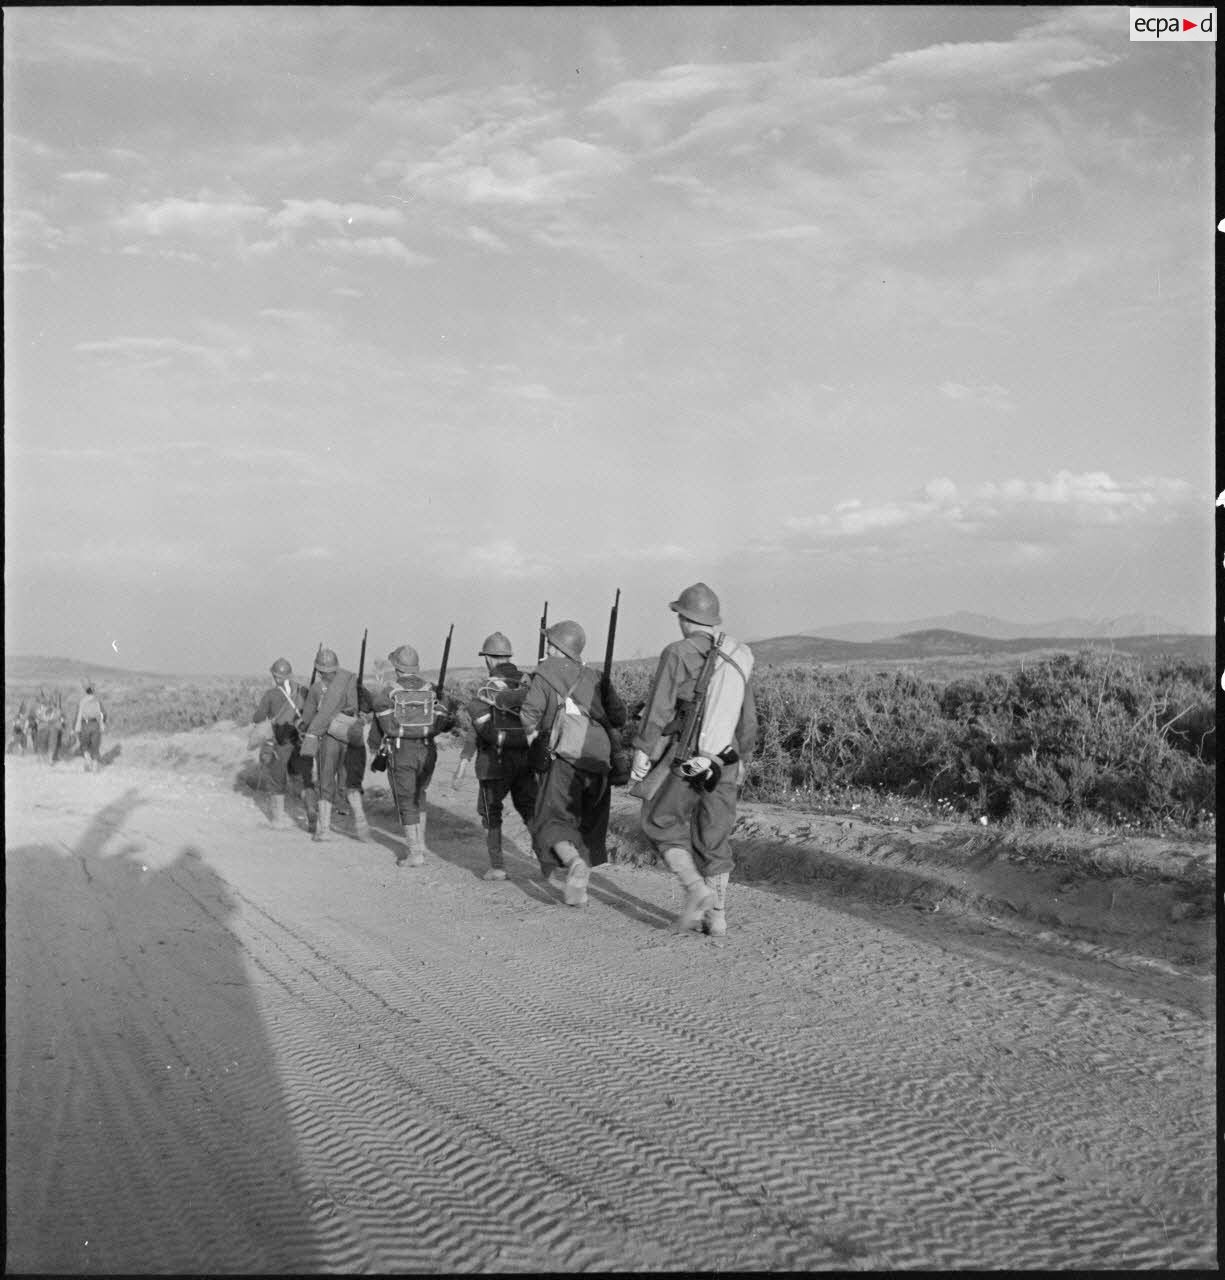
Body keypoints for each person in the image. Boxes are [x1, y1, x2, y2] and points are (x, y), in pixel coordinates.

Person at [628, 582, 757, 935]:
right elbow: (747, 715)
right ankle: (717, 918)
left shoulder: (677, 652)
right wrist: (742, 755)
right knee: (714, 834)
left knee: (659, 820)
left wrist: (643, 749)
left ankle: (696, 890)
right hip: (726, 756)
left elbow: (660, 706)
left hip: (688, 754)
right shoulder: (736, 655)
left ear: (684, 618)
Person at [518, 619, 627, 907]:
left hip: (564, 756)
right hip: (600, 758)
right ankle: (580, 887)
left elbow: (529, 714)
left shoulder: (545, 673)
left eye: (549, 644)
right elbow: (619, 717)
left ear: (555, 647)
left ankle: (574, 864)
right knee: (588, 823)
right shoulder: (595, 676)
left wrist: (537, 746)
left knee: (551, 821)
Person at [453, 632, 546, 881]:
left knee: (490, 812)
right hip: (527, 759)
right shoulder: (529, 684)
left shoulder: (486, 690)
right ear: (508, 656)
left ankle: (497, 866)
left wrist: (464, 761)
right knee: (530, 809)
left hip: (494, 762)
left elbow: (479, 728)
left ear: (488, 659)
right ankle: (546, 862)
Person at [368, 644, 457, 866]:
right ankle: (422, 844)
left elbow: (379, 728)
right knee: (420, 794)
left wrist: (373, 747)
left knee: (406, 800)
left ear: (396, 668)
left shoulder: (387, 693)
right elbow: (444, 722)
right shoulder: (433, 691)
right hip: (428, 750)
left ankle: (415, 853)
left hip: (401, 751)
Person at [299, 647, 362, 843]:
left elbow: (308, 718)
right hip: (349, 736)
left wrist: (305, 726)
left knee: (326, 782)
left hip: (328, 739)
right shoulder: (349, 682)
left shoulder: (317, 689)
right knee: (349, 781)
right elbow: (355, 708)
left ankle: (324, 830)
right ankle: (361, 824)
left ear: (318, 669)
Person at [250, 658, 313, 830]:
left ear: (275, 675)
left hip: (280, 742)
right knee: (300, 779)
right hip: (301, 741)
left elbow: (258, 718)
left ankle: (277, 820)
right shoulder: (303, 691)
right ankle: (311, 811)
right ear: (289, 675)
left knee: (277, 780)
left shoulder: (271, 695)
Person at [73, 684, 106, 772]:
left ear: (86, 691)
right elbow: (104, 714)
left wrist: (75, 728)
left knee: (84, 745)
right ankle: (95, 767)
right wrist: (102, 724)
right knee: (95, 746)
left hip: (85, 725)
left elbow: (77, 715)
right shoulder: (97, 701)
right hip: (96, 725)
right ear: (93, 691)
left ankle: (88, 761)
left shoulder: (82, 701)